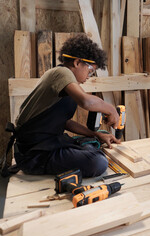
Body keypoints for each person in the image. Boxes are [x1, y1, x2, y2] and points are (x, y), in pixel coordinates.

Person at [9, 34, 120, 177]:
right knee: (98, 163)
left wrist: (96, 134)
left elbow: (65, 122)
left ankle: (88, 146)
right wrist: (111, 109)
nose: (88, 77)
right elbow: (86, 102)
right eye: (90, 70)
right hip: (35, 154)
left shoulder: (66, 82)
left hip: (47, 145)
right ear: (77, 62)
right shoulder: (61, 72)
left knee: (92, 142)